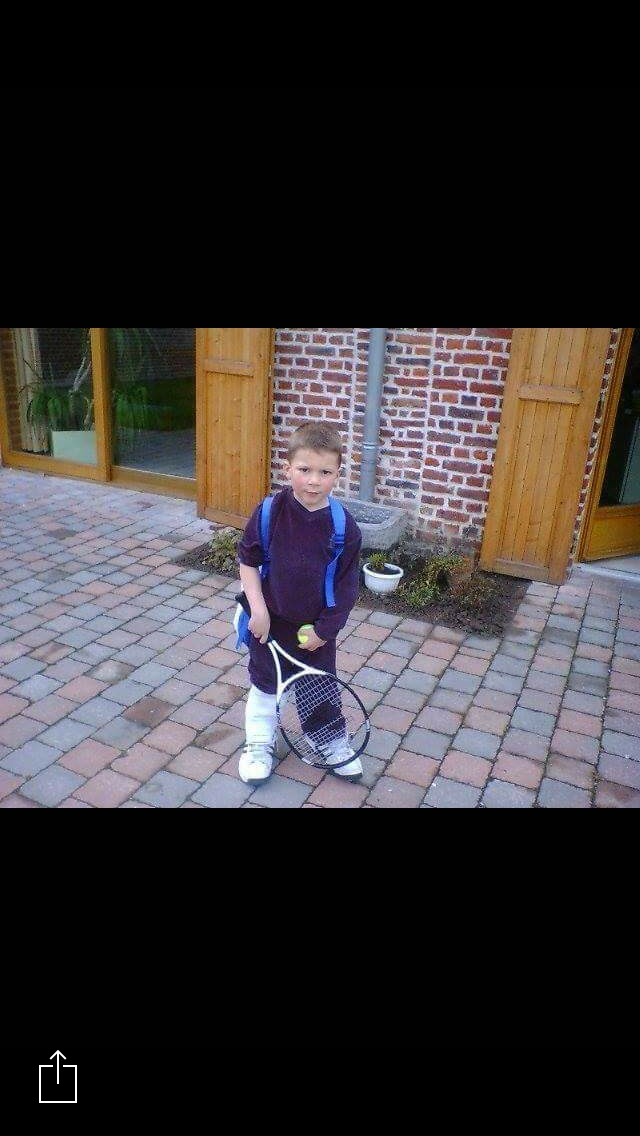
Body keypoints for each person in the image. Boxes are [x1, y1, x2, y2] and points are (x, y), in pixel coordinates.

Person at [236, 421, 363, 785]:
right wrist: (258, 611)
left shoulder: (344, 527)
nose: (313, 481)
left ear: (338, 474)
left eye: (325, 473)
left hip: (315, 630)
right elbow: (248, 562)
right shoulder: (269, 512)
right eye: (304, 470)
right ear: (287, 467)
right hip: (270, 624)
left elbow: (346, 588)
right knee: (265, 684)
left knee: (318, 686)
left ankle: (328, 740)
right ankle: (259, 743)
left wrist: (325, 631)